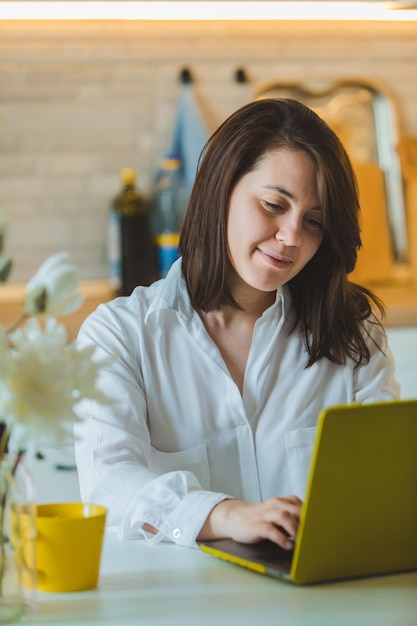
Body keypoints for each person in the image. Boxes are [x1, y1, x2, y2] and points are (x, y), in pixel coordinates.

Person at [74, 98, 400, 552]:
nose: (291, 238)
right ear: (220, 190)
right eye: (273, 205)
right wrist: (226, 514)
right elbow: (109, 481)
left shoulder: (353, 335)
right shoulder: (121, 335)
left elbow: (384, 488)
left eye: (313, 222)